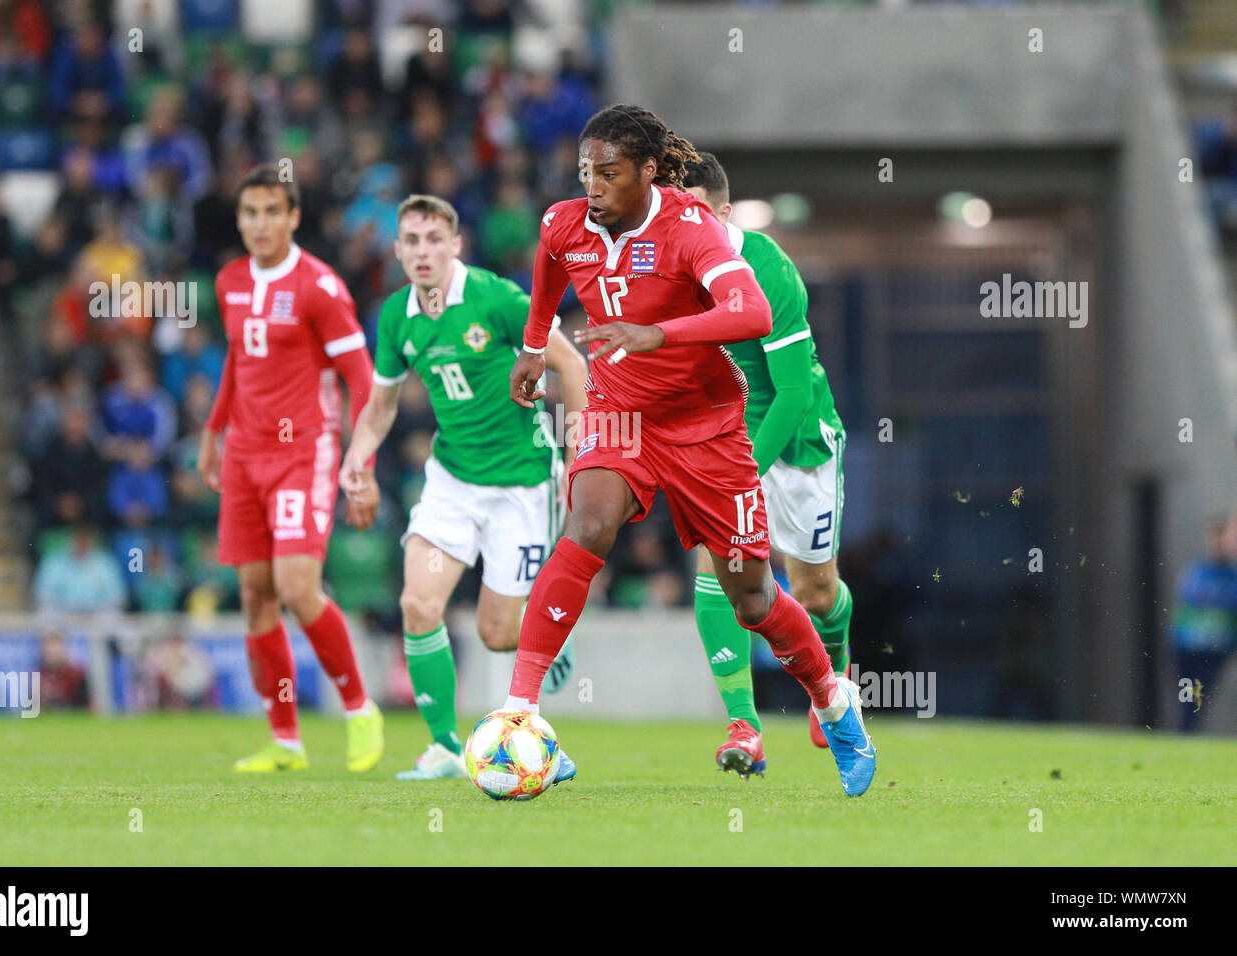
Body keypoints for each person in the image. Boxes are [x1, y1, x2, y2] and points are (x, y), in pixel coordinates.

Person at [505, 104, 875, 796]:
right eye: (586, 173)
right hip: (621, 412)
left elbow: (752, 313)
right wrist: (534, 348)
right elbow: (550, 265)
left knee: (754, 597)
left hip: (706, 426)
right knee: (585, 525)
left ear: (647, 172)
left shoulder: (691, 227)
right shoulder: (565, 222)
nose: (593, 188)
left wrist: (660, 334)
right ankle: (518, 709)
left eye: (609, 174)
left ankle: (831, 696)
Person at [340, 194, 587, 780]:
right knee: (418, 605)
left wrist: (579, 457)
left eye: (434, 240)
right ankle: (446, 747)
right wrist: (357, 461)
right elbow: (381, 405)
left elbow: (572, 366)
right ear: (398, 251)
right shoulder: (396, 315)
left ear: (455, 245)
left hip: (522, 485)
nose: (423, 252)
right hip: (451, 479)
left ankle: (542, 655)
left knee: (495, 630)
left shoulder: (496, 299)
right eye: (412, 242)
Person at [198, 164, 383, 773]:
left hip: (304, 450)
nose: (259, 224)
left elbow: (361, 377)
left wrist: (362, 460)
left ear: (294, 217)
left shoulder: (319, 287)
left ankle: (359, 709)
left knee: (297, 587)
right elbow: (237, 362)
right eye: (250, 212)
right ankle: (285, 741)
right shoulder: (228, 281)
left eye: (271, 211)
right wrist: (212, 431)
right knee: (255, 595)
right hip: (245, 455)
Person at [680, 151, 852, 775]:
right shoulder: (670, 266)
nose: (682, 225)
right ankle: (744, 728)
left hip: (797, 441)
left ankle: (833, 673)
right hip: (725, 438)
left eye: (695, 212)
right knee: (717, 570)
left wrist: (744, 472)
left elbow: (794, 393)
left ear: (723, 213)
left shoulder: (768, 268)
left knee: (813, 589)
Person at [1170, 512, 1237, 731]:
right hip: (1188, 646)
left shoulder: (1231, 575)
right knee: (1187, 692)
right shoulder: (1197, 571)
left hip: (1216, 649)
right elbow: (1191, 597)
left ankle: (1187, 730)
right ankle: (1185, 730)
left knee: (1201, 690)